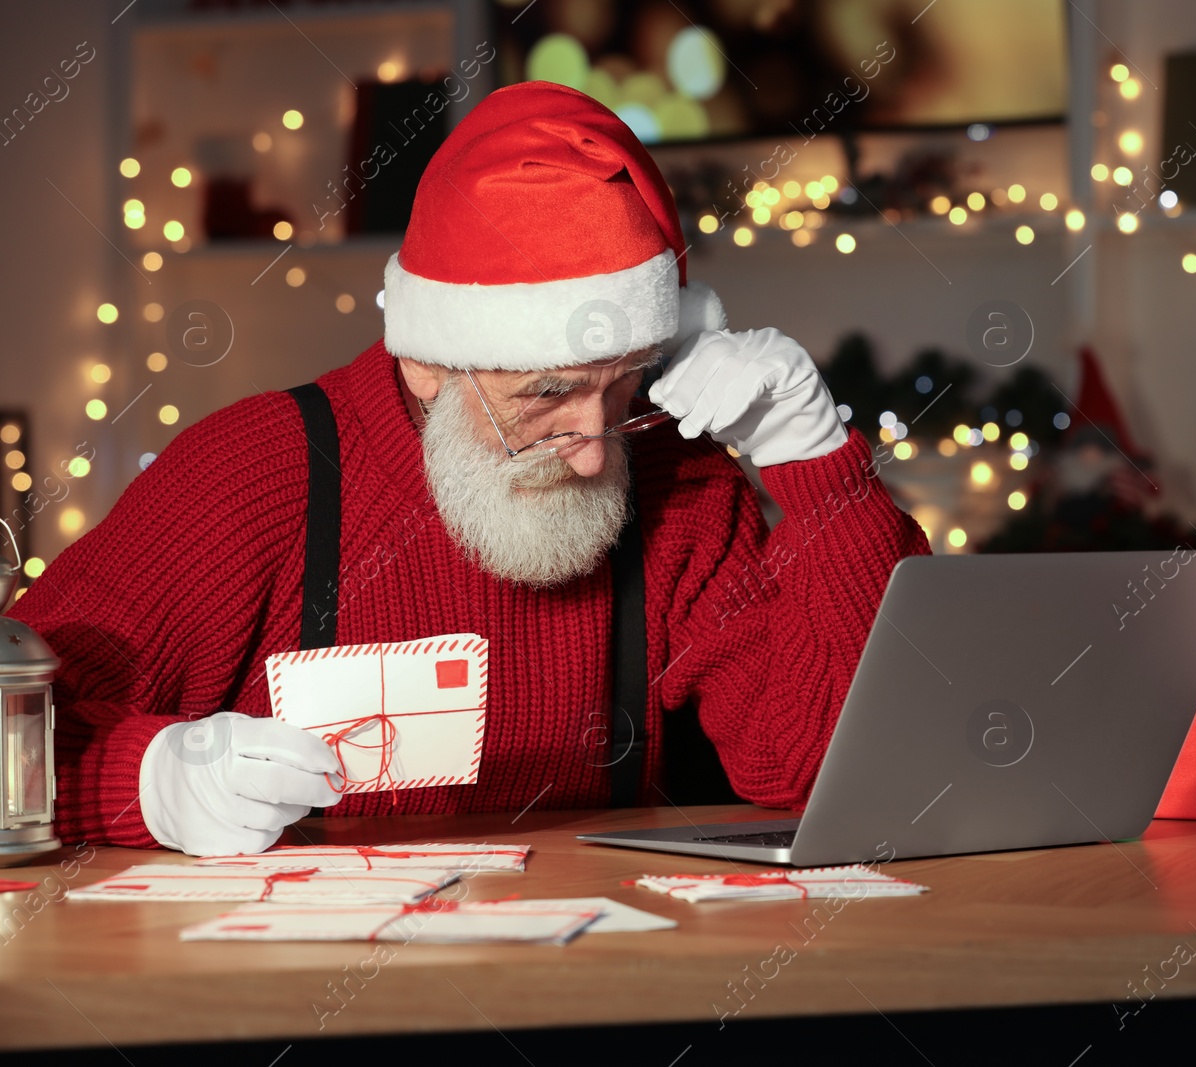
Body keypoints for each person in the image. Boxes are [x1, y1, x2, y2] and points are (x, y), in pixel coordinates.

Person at [8, 82, 929, 856]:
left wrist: (813, 460)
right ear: (426, 362)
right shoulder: (253, 475)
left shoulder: (680, 485)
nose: (596, 447)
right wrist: (145, 781)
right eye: (546, 395)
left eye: (623, 387)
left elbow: (815, 766)